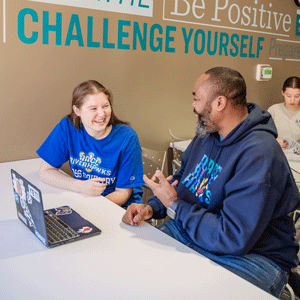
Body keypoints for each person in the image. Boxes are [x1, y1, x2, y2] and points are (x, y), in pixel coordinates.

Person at [122, 67, 300, 297]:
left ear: (219, 103)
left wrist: (174, 206)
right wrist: (153, 206)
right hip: (198, 232)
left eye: (196, 98)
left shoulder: (260, 154)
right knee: (134, 267)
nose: (194, 106)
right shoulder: (207, 133)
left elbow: (232, 237)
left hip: (254, 255)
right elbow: (184, 181)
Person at [37, 80, 144, 208]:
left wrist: (90, 208)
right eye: (93, 108)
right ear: (77, 110)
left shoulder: (127, 137)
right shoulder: (67, 127)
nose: (102, 114)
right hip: (86, 198)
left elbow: (122, 194)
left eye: (106, 106)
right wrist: (81, 187)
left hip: (119, 208)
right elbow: (45, 172)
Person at [268, 76, 300, 150]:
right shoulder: (274, 110)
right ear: (283, 92)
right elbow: (262, 134)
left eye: (297, 96)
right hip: (275, 152)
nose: (292, 100)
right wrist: (274, 141)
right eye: (288, 96)